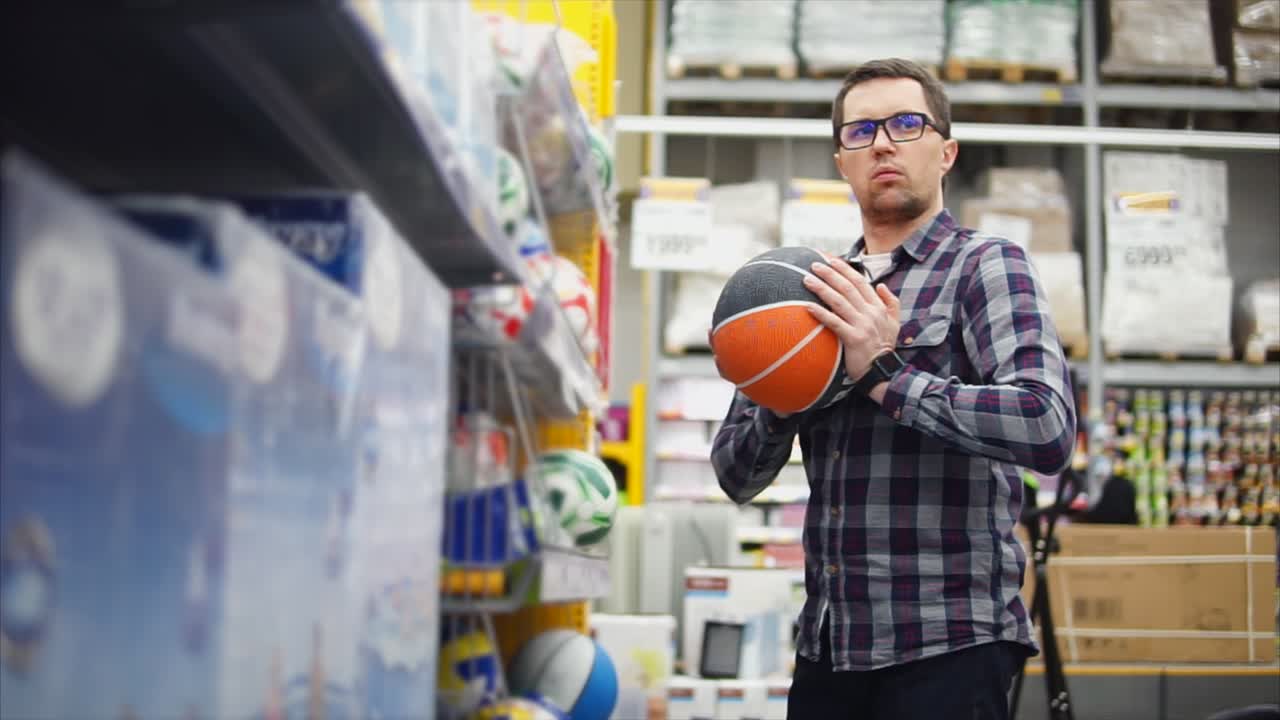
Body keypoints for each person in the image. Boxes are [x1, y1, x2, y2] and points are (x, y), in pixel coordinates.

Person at [710, 58, 1077, 720]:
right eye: (861, 131)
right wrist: (789, 396)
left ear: (946, 152)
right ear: (842, 161)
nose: (882, 141)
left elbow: (1046, 425)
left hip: (951, 644)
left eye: (907, 124)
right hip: (829, 649)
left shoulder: (986, 266)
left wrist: (885, 375)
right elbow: (734, 474)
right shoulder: (807, 291)